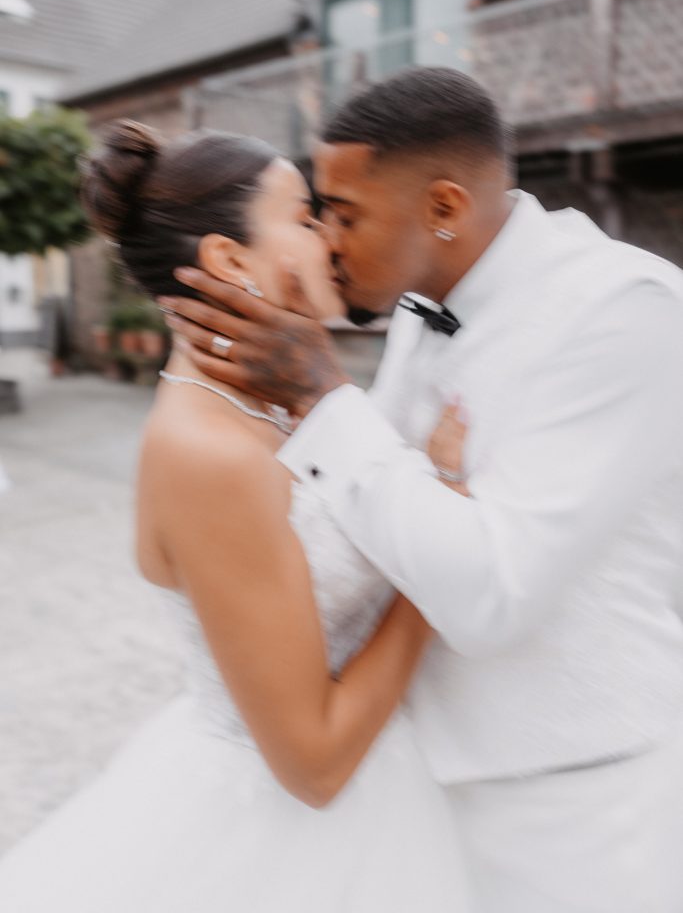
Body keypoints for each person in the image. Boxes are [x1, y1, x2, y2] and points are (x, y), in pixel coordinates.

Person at [163, 66, 683, 913]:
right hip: (406, 787)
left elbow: (490, 598)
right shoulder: (418, 301)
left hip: (571, 803)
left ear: (442, 209)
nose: (327, 240)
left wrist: (325, 401)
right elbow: (383, 510)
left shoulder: (625, 308)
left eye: (345, 214)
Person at [0, 122, 474, 911]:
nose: (329, 235)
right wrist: (439, 542)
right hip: (284, 841)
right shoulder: (208, 455)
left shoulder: (285, 407)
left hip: (396, 785)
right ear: (227, 261)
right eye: (302, 216)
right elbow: (312, 763)